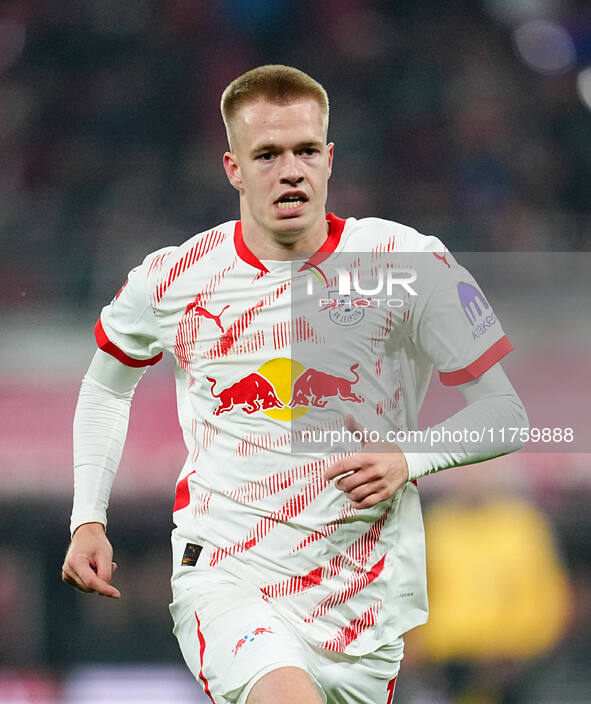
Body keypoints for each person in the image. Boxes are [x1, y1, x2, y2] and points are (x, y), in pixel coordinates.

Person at [62, 65, 528, 704]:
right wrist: (87, 517)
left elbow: (507, 411)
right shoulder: (174, 278)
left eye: (306, 151)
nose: (291, 170)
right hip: (228, 575)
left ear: (329, 158)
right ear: (233, 168)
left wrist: (410, 457)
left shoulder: (407, 263)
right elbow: (106, 387)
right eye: (267, 155)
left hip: (362, 605)